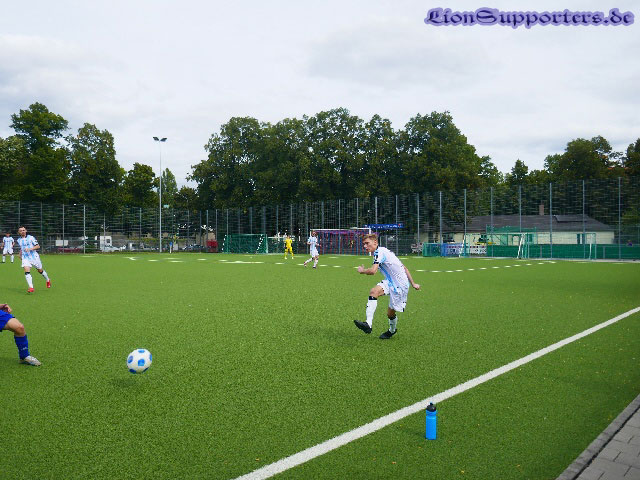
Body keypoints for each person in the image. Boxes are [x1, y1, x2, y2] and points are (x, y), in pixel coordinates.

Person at [354, 233, 420, 339]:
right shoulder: (383, 251)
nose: (365, 246)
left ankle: (392, 331)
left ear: (375, 242)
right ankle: (368, 324)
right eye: (364, 244)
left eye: (367, 243)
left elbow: (373, 271)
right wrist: (413, 283)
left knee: (390, 314)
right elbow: (404, 268)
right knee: (374, 292)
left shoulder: (380, 252)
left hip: (400, 286)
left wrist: (362, 271)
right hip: (390, 281)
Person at [16, 226, 51, 293]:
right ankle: (31, 287)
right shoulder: (19, 240)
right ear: (19, 232)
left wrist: (30, 249)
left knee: (40, 271)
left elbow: (38, 246)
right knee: (26, 271)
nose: (22, 231)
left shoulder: (31, 238)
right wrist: (20, 254)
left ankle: (48, 280)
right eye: (21, 231)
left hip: (34, 257)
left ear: (26, 231)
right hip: (25, 258)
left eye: (23, 230)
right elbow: (22, 248)